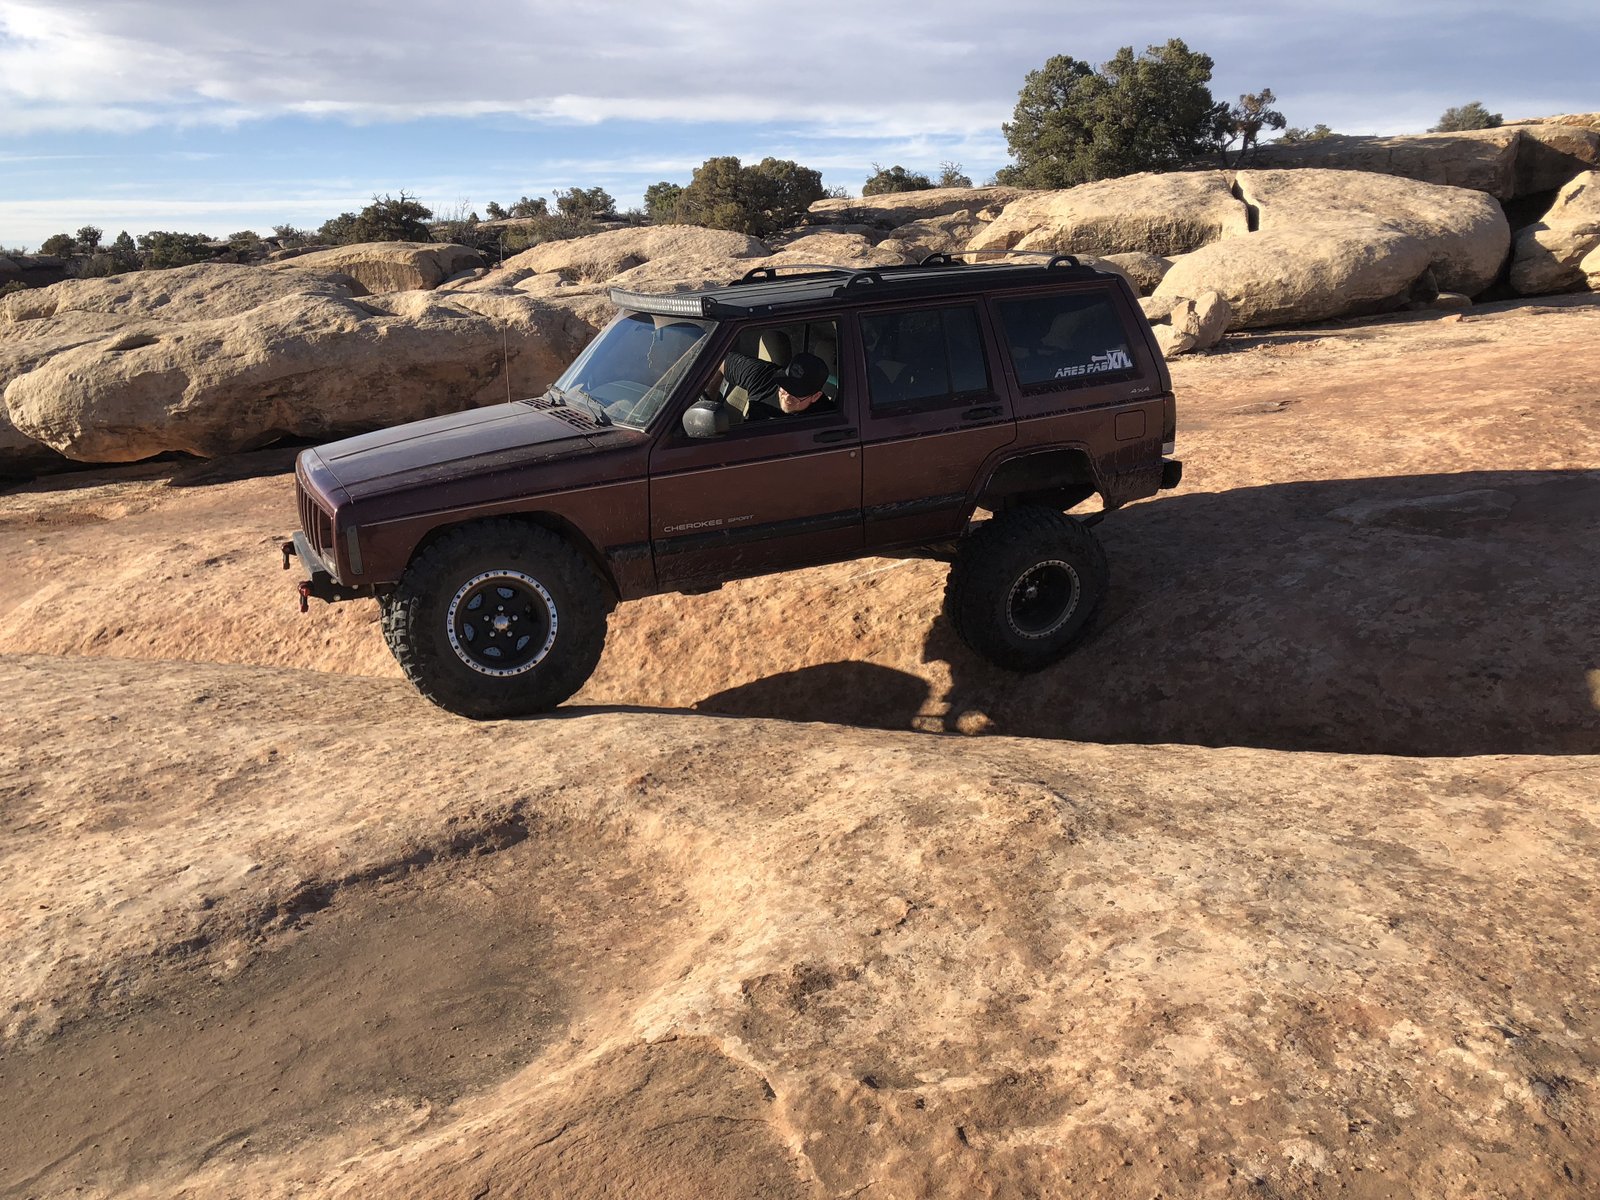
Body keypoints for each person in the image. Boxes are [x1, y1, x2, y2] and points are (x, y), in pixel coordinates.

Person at [718, 350, 830, 420]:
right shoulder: (761, 375)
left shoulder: (827, 418)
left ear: (816, 396)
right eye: (784, 387)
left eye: (796, 394)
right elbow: (719, 360)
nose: (786, 397)